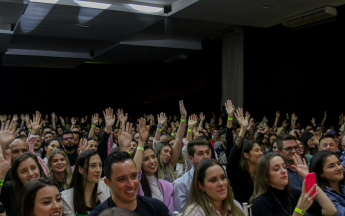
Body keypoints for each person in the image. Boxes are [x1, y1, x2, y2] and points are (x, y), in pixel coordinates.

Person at [251, 152, 337, 216]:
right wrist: (300, 210)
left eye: (284, 167)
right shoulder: (260, 203)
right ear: (265, 176)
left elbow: (330, 210)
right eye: (276, 169)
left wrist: (307, 178)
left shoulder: (293, 193)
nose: (284, 171)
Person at [88, 152, 170, 216]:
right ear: (108, 183)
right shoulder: (98, 214)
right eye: (122, 179)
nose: (131, 184)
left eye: (134, 176)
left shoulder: (157, 207)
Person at [131, 118, 174, 214]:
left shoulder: (167, 186)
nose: (152, 161)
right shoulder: (136, 185)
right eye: (145, 159)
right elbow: (134, 172)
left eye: (153, 157)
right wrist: (141, 142)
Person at [227, 107, 263, 205]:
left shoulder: (261, 173)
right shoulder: (237, 173)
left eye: (260, 150)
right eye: (256, 151)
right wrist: (243, 129)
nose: (261, 153)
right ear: (246, 155)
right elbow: (233, 156)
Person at [61, 150, 111, 215]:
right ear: (80, 170)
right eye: (93, 166)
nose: (98, 170)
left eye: (100, 165)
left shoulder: (107, 186)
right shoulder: (66, 198)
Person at [0, 152, 47, 216]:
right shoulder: (10, 189)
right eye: (24, 171)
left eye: (33, 168)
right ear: (17, 175)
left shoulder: (48, 187)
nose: (30, 173)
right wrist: (1, 175)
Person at [173, 137, 211, 213]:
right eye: (200, 154)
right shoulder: (181, 184)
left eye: (207, 153)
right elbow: (181, 213)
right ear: (191, 159)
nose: (206, 156)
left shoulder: (218, 178)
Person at [154, 101, 187, 183]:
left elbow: (179, 139)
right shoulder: (152, 167)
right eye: (165, 151)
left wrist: (183, 118)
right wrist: (159, 126)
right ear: (158, 151)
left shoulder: (170, 165)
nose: (168, 155)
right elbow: (156, 142)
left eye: (170, 153)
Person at [310, 151, 345, 216]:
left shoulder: (342, 183)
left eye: (339, 163)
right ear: (321, 173)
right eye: (331, 166)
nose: (338, 168)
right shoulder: (321, 194)